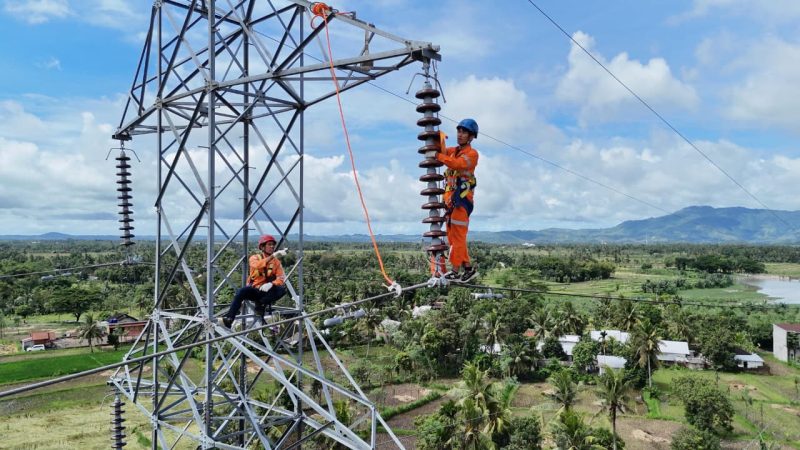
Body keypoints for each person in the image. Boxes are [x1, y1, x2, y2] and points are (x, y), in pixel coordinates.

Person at [436, 118, 479, 283]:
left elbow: (457, 164)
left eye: (464, 132)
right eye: (459, 131)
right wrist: (438, 138)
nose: (460, 135)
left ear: (471, 136)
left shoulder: (471, 154)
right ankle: (467, 268)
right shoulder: (454, 151)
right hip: (451, 202)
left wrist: (439, 156)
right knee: (454, 239)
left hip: (462, 202)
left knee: (458, 238)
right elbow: (444, 151)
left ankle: (455, 270)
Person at [222, 234, 287, 328]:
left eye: (273, 244)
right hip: (255, 289)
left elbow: (281, 278)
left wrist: (271, 284)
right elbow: (258, 266)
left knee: (282, 289)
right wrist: (273, 256)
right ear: (262, 247)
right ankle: (229, 318)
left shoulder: (276, 262)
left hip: (267, 292)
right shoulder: (254, 258)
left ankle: (261, 304)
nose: (272, 246)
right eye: (269, 244)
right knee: (241, 292)